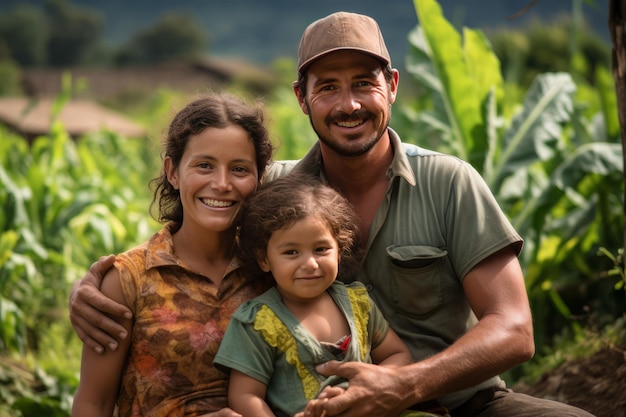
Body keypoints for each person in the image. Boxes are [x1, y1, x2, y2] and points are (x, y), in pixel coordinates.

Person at [70, 11, 596, 417]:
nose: (349, 104)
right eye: (327, 87)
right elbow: (192, 235)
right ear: (302, 98)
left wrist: (404, 385)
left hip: (462, 403)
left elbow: (515, 328)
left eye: (363, 82)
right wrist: (94, 288)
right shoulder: (274, 192)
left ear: (390, 85)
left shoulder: (449, 181)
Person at [71, 92, 275, 416]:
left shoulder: (272, 270)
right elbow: (92, 404)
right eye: (204, 165)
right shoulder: (129, 280)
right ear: (173, 171)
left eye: (239, 169)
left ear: (260, 177)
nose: (221, 184)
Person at [213, 175, 445, 417]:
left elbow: (397, 354)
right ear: (264, 259)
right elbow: (245, 396)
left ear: (340, 249)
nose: (311, 264)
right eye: (291, 252)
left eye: (321, 249)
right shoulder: (259, 323)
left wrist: (372, 387)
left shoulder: (358, 303)